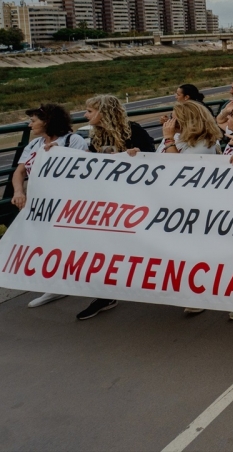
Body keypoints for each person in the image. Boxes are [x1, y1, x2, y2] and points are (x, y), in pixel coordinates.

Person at [75, 95, 156, 321]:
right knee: (105, 247)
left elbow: (155, 159)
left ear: (104, 112)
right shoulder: (97, 136)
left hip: (136, 202)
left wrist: (138, 155)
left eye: (90, 111)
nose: (85, 115)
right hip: (108, 202)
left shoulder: (134, 131)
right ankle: (105, 295)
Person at [11, 103, 88, 309]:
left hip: (67, 203)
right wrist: (19, 191)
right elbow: (19, 172)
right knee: (45, 243)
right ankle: (57, 285)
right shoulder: (34, 145)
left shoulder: (73, 140)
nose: (30, 125)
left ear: (47, 122)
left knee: (69, 242)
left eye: (33, 121)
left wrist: (58, 154)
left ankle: (78, 282)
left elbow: (84, 169)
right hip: (41, 203)